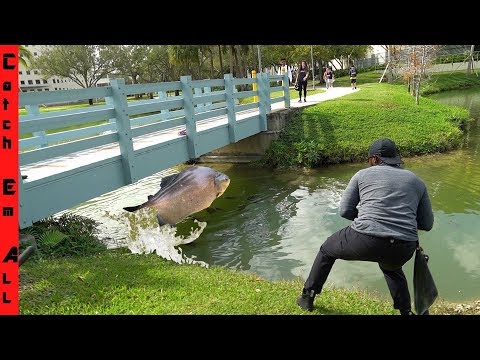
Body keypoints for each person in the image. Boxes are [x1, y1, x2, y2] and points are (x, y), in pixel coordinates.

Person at [296, 138, 434, 315]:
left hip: (365, 239)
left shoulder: (362, 175)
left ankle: (308, 297)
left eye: (369, 159)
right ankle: (406, 312)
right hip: (403, 247)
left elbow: (345, 210)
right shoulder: (417, 182)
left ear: (375, 159)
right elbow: (427, 224)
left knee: (327, 250)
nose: (368, 163)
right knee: (392, 268)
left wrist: (367, 219)